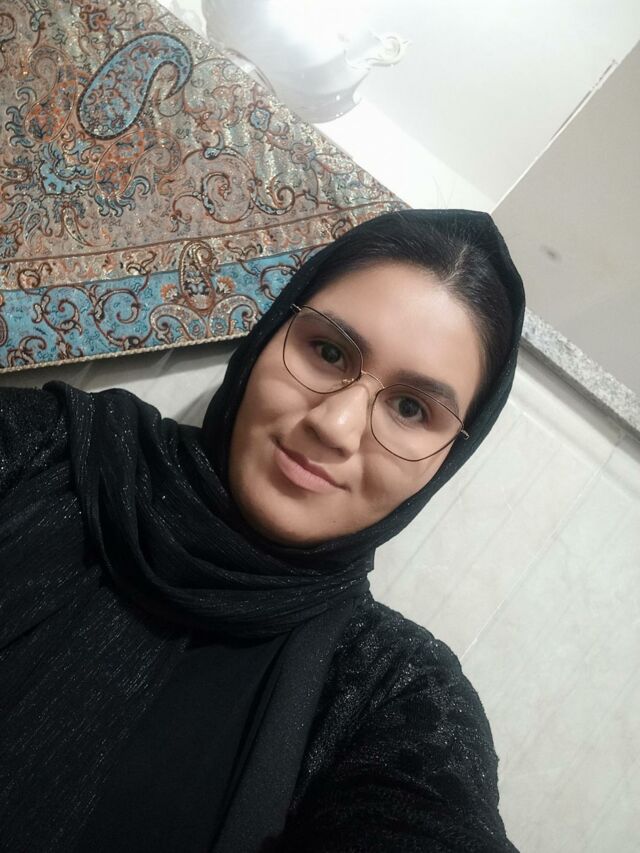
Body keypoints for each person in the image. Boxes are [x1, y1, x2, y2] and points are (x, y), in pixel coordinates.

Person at [0, 209, 524, 852]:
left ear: (448, 459)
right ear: (273, 330)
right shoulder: (44, 452)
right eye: (328, 351)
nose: (334, 427)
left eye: (411, 409)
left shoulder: (389, 693)